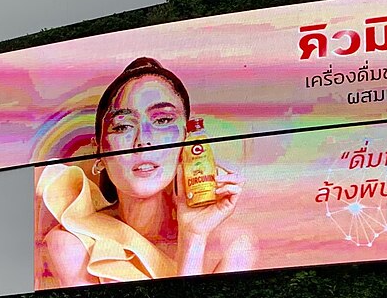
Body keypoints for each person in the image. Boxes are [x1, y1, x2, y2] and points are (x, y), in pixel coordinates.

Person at [38, 57, 254, 285]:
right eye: (122, 126)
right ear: (99, 153)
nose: (143, 141)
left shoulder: (232, 244)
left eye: (162, 120)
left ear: (187, 140)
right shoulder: (72, 245)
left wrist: (194, 237)